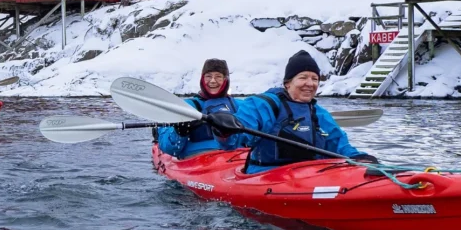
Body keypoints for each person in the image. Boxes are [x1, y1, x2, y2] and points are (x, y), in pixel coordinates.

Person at [206, 50, 377, 174]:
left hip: (309, 174)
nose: (309, 83)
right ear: (288, 83)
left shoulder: (318, 113)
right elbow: (234, 140)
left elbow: (339, 144)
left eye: (314, 79)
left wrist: (359, 158)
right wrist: (224, 130)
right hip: (266, 174)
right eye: (303, 77)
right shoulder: (264, 104)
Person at [157, 59, 244, 159]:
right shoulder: (187, 106)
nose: (212, 81)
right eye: (208, 76)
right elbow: (169, 149)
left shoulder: (240, 106)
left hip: (237, 157)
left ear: (226, 79)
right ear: (202, 79)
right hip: (196, 159)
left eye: (218, 76)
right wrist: (180, 131)